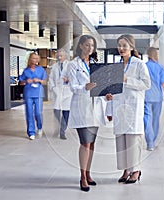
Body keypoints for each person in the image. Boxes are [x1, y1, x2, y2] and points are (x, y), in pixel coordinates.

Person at [105, 34, 151, 184]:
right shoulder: (116, 65)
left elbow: (146, 84)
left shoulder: (139, 64)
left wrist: (127, 80)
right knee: (121, 141)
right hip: (119, 107)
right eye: (119, 45)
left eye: (124, 45)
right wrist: (110, 106)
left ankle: (136, 170)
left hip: (133, 106)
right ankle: (126, 170)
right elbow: (113, 87)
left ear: (131, 47)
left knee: (132, 140)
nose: (121, 48)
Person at [67, 35, 102, 192]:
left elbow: (100, 85)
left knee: (92, 144)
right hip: (82, 108)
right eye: (87, 45)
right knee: (85, 143)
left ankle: (88, 173)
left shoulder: (95, 64)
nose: (90, 48)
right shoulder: (73, 64)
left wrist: (106, 94)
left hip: (94, 108)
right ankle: (82, 176)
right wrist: (84, 87)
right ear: (80, 46)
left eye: (92, 46)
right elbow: (73, 87)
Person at [144, 47, 164, 151]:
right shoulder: (160, 67)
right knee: (155, 120)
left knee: (147, 119)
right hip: (157, 97)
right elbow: (163, 83)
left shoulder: (144, 66)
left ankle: (149, 143)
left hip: (146, 96)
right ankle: (153, 140)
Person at [19, 52, 47, 140]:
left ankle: (39, 126)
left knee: (38, 113)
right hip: (28, 93)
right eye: (32, 58)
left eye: (36, 58)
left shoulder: (41, 70)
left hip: (38, 93)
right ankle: (31, 132)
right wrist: (26, 81)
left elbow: (45, 82)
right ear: (30, 59)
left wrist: (38, 80)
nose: (34, 60)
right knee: (29, 113)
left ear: (38, 60)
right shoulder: (26, 71)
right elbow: (20, 82)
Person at [48, 49, 72, 140]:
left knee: (66, 113)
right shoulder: (54, 66)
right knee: (56, 112)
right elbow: (50, 78)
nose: (59, 57)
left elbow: (74, 76)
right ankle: (58, 128)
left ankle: (62, 131)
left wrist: (69, 80)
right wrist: (53, 88)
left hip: (67, 91)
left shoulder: (70, 65)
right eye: (58, 55)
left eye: (61, 55)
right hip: (57, 91)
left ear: (65, 56)